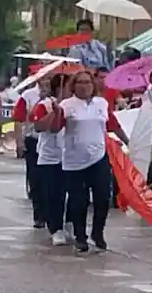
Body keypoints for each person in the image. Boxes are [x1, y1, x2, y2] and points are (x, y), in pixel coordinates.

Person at [39, 69, 129, 254]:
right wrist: (56, 113)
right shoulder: (67, 105)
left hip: (98, 156)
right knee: (79, 201)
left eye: (87, 82)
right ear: (74, 86)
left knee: (103, 198)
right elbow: (55, 129)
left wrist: (128, 142)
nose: (84, 86)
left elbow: (113, 125)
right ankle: (80, 236)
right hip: (74, 161)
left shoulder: (101, 104)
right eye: (80, 82)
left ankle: (98, 232)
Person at [29, 76, 70, 246]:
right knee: (54, 195)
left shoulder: (75, 105)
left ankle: (70, 224)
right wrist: (55, 111)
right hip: (50, 157)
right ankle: (56, 228)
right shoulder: (45, 105)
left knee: (73, 195)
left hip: (72, 157)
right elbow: (39, 127)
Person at [12, 81, 44, 227]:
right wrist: (19, 142)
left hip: (57, 145)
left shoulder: (63, 94)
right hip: (34, 141)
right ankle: (39, 215)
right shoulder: (28, 96)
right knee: (36, 179)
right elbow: (19, 119)